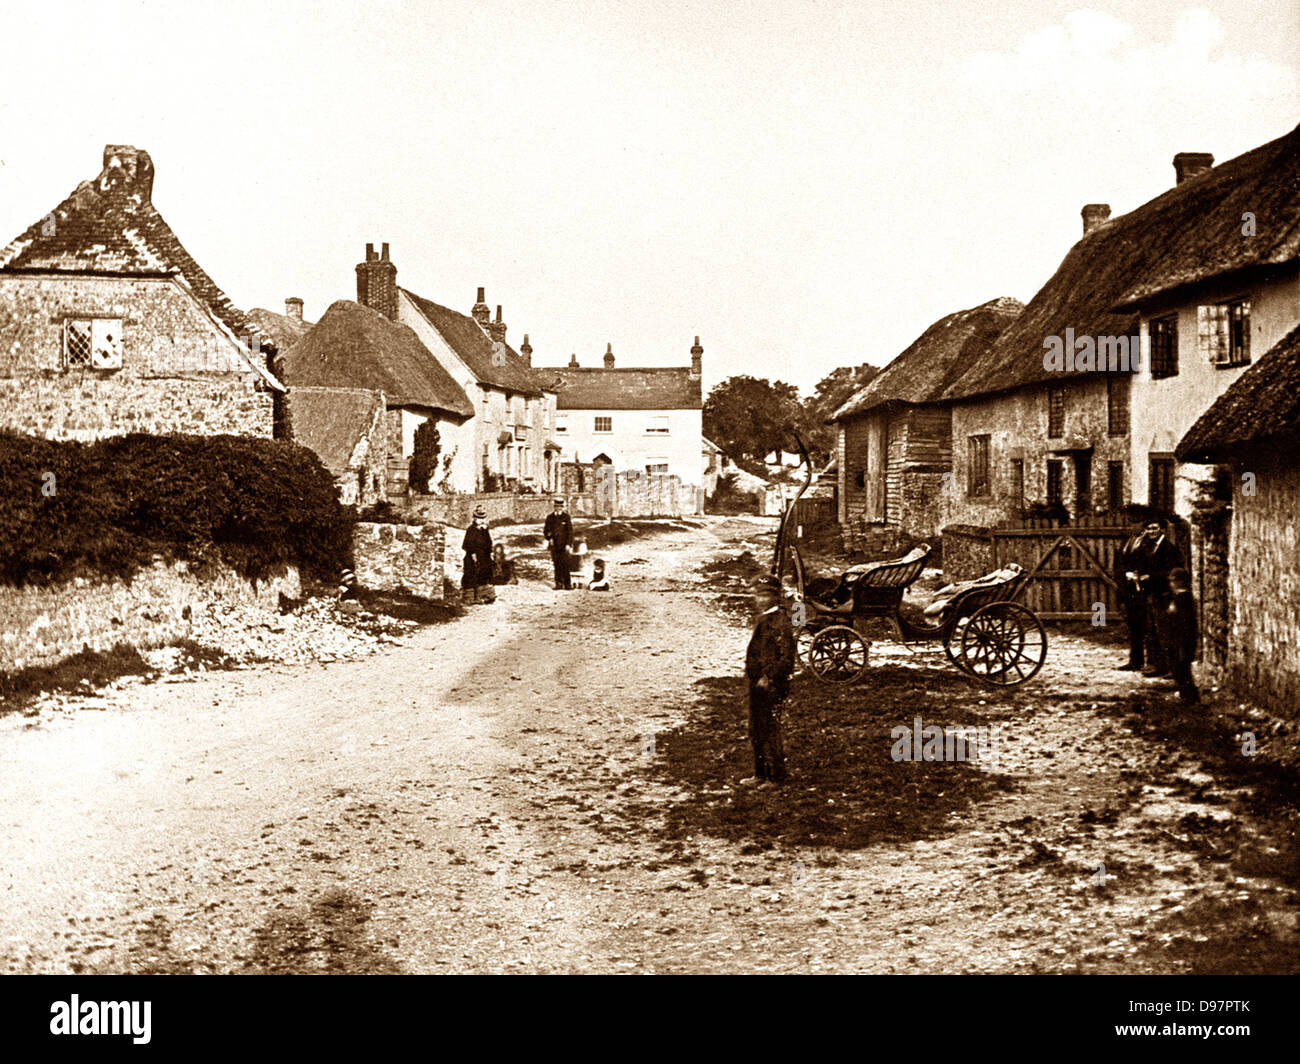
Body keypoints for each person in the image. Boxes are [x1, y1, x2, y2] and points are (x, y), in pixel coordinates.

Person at [743, 574, 795, 784]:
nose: (761, 600)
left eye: (767, 595)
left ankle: (776, 776)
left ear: (777, 597)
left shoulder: (780, 622)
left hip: (772, 684)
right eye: (758, 595)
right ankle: (760, 773)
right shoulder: (765, 618)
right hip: (758, 682)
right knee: (756, 728)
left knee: (770, 729)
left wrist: (769, 677)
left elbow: (787, 657)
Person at [1159, 567, 1200, 703]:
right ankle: (1186, 693)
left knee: (1181, 667)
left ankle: (1189, 695)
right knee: (1179, 667)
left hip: (1181, 639)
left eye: (1173, 581)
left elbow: (1184, 622)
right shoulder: (1177, 597)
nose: (1171, 584)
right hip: (1178, 639)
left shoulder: (1183, 598)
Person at [462, 506, 495, 604]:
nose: (481, 521)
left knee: (485, 573)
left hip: (484, 556)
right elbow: (468, 544)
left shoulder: (484, 530)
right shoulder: (471, 530)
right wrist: (473, 554)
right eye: (479, 519)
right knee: (471, 575)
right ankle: (470, 598)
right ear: (474, 519)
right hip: (473, 556)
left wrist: (491, 552)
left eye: (483, 518)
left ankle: (485, 595)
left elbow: (489, 542)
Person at [544, 497, 573, 589]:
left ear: (563, 507)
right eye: (557, 506)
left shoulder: (566, 517)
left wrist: (568, 544)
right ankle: (559, 584)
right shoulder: (550, 518)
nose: (559, 508)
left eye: (560, 506)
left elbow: (570, 532)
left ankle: (567, 584)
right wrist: (549, 538)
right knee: (557, 564)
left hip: (564, 545)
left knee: (565, 564)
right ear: (554, 507)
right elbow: (546, 531)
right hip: (554, 545)